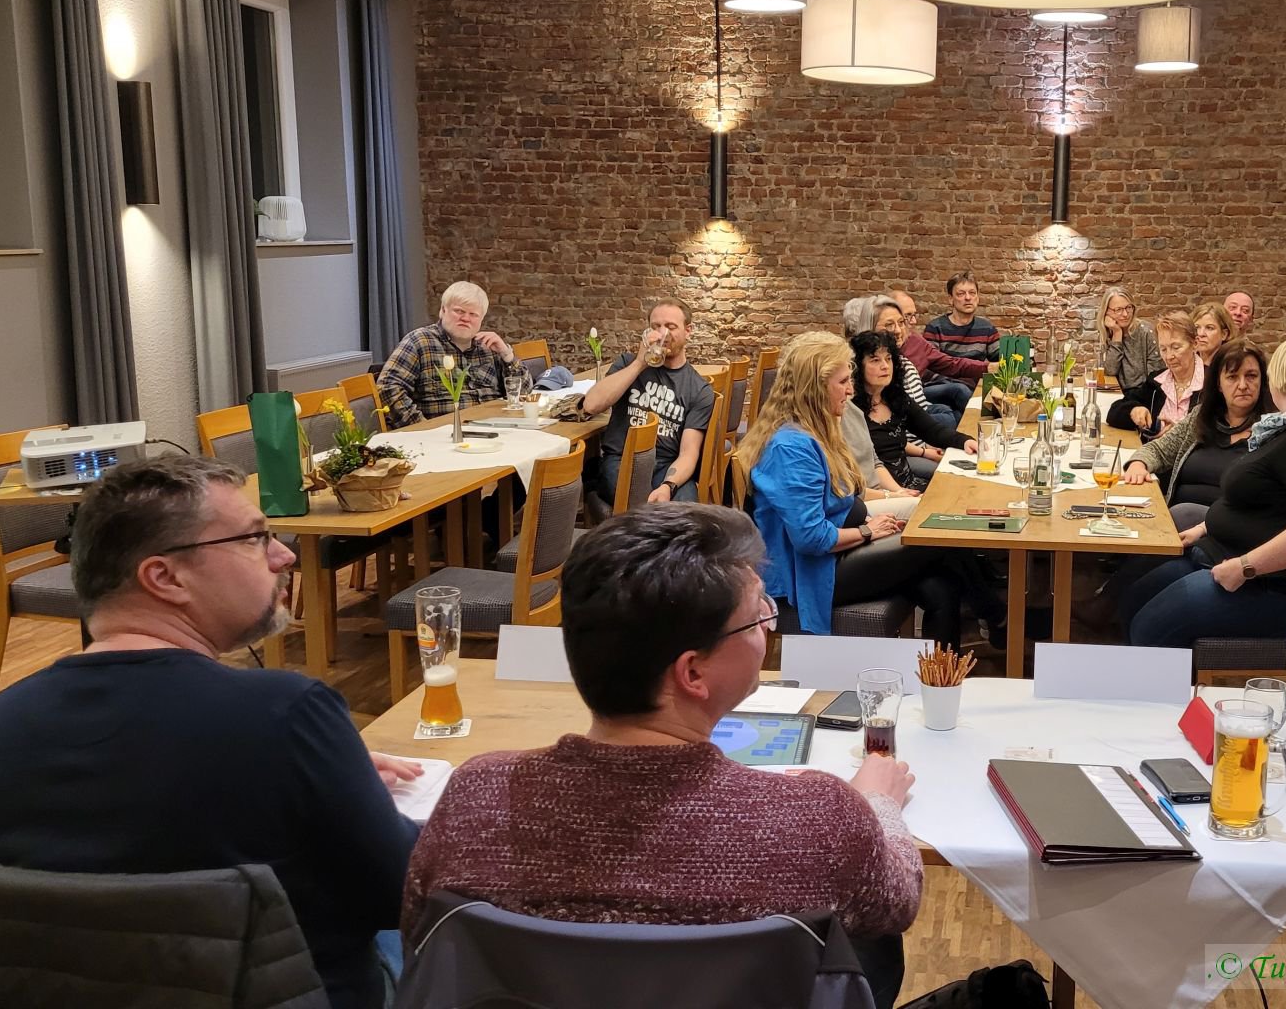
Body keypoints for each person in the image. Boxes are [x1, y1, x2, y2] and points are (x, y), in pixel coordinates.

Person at [401, 504, 922, 1006]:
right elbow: (896, 902)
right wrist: (877, 803)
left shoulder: (477, 795)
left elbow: (419, 937)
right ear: (692, 672)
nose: (769, 624)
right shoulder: (817, 816)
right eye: (757, 615)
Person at [0, 456, 420, 1009]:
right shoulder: (286, 715)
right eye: (255, 538)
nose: (284, 555)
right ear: (165, 577)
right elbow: (403, 893)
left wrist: (335, 779)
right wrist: (354, 789)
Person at [740, 332, 1001, 646]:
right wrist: (867, 531)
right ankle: (999, 617)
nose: (851, 390)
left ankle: (943, 672)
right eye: (842, 382)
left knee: (940, 586)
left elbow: (843, 499)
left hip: (837, 552)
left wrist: (870, 520)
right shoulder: (791, 448)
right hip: (814, 573)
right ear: (814, 388)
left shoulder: (816, 428)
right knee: (941, 538)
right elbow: (811, 539)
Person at [1119, 335, 1286, 645]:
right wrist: (1205, 527)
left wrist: (1245, 567)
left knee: (1148, 627)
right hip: (1223, 554)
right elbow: (1268, 504)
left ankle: (1173, 674)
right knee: (1132, 600)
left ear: (1283, 376)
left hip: (1275, 585)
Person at [583, 299, 715, 505]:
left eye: (671, 326)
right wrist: (639, 363)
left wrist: (668, 486)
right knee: (641, 505)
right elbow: (591, 405)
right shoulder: (627, 364)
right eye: (656, 326)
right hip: (623, 460)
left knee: (687, 511)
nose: (662, 333)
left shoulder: (699, 389)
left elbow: (689, 453)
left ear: (688, 331)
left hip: (667, 465)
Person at [1122, 342, 1275, 511]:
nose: (1243, 385)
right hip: (1174, 518)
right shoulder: (1202, 416)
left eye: (1251, 376)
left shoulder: (1273, 431)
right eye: (1232, 377)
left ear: (1263, 380)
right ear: (1218, 384)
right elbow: (1158, 450)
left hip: (1227, 522)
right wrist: (1138, 465)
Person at [377, 280, 522, 425]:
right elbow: (388, 388)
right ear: (443, 310)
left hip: (497, 428)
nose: (465, 318)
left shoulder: (489, 346)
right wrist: (423, 427)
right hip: (443, 432)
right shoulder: (419, 341)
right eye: (459, 311)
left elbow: (524, 394)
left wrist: (507, 355)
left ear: (481, 319)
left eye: (473, 314)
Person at [851, 329, 976, 491]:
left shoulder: (895, 398)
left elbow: (932, 430)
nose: (885, 366)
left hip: (908, 483)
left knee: (964, 488)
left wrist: (965, 441)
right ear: (858, 367)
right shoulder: (851, 408)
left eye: (888, 359)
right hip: (880, 492)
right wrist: (898, 493)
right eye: (875, 360)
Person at [845, 294, 958, 430]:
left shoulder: (904, 363)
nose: (898, 331)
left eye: (901, 323)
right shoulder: (861, 371)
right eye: (889, 325)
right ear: (869, 327)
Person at [1106, 311, 1205, 440]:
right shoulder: (1157, 382)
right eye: (1163, 349)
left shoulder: (1213, 384)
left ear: (1195, 344)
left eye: (1176, 347)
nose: (1169, 356)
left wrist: (1179, 435)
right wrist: (1134, 410)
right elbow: (1114, 412)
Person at [890, 289, 987, 414]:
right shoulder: (880, 345)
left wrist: (988, 367)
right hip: (899, 401)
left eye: (914, 315)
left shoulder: (916, 341)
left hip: (917, 394)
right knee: (956, 394)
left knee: (953, 410)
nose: (914, 321)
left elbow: (950, 364)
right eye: (907, 316)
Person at [923, 271, 999, 362]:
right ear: (951, 299)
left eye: (972, 293)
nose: (968, 298)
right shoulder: (935, 329)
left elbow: (1003, 361)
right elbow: (930, 364)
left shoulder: (987, 328)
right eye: (961, 294)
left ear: (978, 298)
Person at [1098, 288, 1159, 390]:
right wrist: (1117, 334)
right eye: (1118, 310)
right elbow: (1110, 371)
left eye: (1128, 307)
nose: (1125, 314)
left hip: (1142, 394)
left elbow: (1155, 377)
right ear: (1106, 312)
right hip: (1116, 392)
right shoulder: (1109, 332)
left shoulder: (1146, 331)